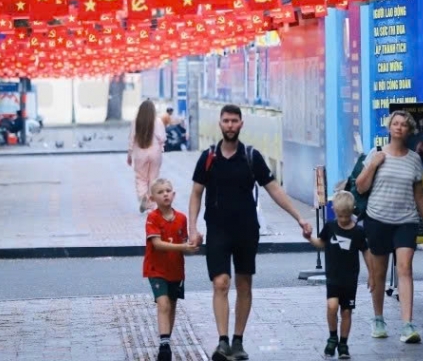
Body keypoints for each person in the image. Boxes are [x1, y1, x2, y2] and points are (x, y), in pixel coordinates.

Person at [189, 104, 313, 361]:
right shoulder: (208, 157)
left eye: (235, 121)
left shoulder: (251, 156)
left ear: (241, 124)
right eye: (226, 121)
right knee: (220, 282)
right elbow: (196, 192)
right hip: (217, 229)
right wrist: (192, 227)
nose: (230, 125)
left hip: (246, 230)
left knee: (244, 283)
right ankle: (222, 342)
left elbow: (274, 189)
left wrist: (299, 218)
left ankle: (238, 341)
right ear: (220, 124)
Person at [355, 110, 423, 344]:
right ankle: (378, 319)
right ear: (389, 128)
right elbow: (360, 187)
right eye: (395, 124)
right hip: (378, 219)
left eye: (403, 125)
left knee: (405, 268)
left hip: (406, 221)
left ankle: (408, 325)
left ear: (409, 130)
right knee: (378, 274)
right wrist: (372, 166)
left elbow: (419, 193)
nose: (399, 127)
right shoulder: (376, 154)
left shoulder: (414, 159)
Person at [306, 191, 368, 359]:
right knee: (332, 306)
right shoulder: (330, 227)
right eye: (340, 216)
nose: (343, 220)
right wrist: (310, 238)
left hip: (350, 279)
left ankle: (343, 344)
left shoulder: (358, 232)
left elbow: (366, 252)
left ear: (352, 211)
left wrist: (372, 275)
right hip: (333, 277)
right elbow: (321, 243)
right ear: (334, 211)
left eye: (346, 216)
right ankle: (332, 336)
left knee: (346, 312)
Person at [143, 178, 199, 361]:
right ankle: (164, 345)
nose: (165, 194)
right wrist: (183, 248)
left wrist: (194, 244)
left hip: (175, 270)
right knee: (163, 303)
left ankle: (166, 339)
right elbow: (157, 244)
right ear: (153, 198)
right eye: (160, 192)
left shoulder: (182, 218)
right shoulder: (152, 217)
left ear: (173, 194)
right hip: (156, 269)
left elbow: (185, 244)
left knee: (172, 304)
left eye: (168, 190)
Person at [128, 100, 167, 212]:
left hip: (140, 153)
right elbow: (162, 138)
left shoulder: (136, 121)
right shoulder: (158, 121)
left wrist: (129, 154)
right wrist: (161, 147)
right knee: (153, 178)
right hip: (155, 153)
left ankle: (143, 197)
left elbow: (131, 138)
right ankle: (151, 203)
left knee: (141, 177)